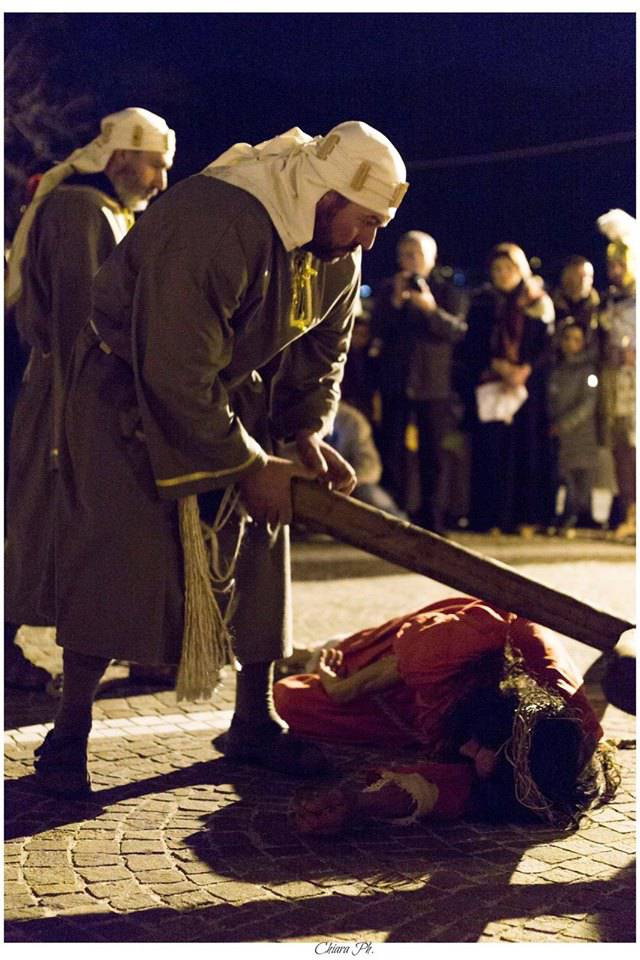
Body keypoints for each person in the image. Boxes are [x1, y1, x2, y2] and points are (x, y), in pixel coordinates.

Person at [33, 121, 409, 798]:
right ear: (325, 200)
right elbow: (173, 369)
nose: (369, 240)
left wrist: (302, 435)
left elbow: (325, 355)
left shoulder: (339, 256)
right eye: (364, 221)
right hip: (124, 385)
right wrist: (249, 464)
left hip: (229, 392)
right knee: (120, 551)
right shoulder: (219, 221)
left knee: (264, 538)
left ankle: (253, 721)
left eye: (380, 225)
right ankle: (69, 732)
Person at [4, 108, 175, 690]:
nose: (160, 182)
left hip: (89, 388)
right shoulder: (80, 210)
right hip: (74, 391)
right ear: (121, 157)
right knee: (46, 519)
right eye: (155, 166)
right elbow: (85, 318)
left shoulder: (105, 210)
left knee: (90, 524)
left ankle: (127, 641)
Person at [273, 596, 620, 835]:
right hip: (421, 657)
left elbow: (446, 791)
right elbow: (379, 671)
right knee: (335, 664)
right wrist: (338, 686)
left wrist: (356, 804)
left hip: (426, 713)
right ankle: (323, 651)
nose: (469, 753)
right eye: (481, 746)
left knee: (290, 698)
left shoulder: (528, 775)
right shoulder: (500, 642)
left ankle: (319, 659)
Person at [370, 231, 468, 532]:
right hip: (396, 383)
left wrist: (430, 309)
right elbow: (376, 331)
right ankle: (393, 517)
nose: (410, 261)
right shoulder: (388, 291)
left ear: (432, 258)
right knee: (392, 450)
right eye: (405, 254)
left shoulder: (447, 291)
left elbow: (457, 331)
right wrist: (397, 303)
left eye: (417, 255)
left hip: (433, 385)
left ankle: (433, 519)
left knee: (433, 455)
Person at [459, 243, 555, 535]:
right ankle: (489, 516)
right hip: (491, 384)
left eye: (508, 268)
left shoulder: (537, 302)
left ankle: (522, 517)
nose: (502, 274)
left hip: (527, 389)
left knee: (524, 451)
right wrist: (497, 365)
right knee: (491, 451)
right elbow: (471, 345)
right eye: (497, 269)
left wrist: (525, 370)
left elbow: (548, 348)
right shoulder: (483, 303)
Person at [596, 210, 636, 541]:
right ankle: (630, 513)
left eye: (620, 264)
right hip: (616, 385)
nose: (615, 272)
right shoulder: (610, 302)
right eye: (611, 265)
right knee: (621, 449)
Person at [547, 322, 600, 536]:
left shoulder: (587, 371)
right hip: (559, 434)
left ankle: (574, 516)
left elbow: (588, 402)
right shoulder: (555, 369)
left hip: (580, 434)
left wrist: (565, 424)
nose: (570, 344)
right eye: (567, 338)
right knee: (564, 475)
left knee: (580, 478)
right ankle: (564, 516)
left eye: (576, 339)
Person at [326, 401, 407, 518]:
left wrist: (345, 482)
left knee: (371, 497)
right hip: (311, 486)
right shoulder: (300, 416)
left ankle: (402, 532)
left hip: (350, 486)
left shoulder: (350, 419)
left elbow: (370, 467)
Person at [552, 255, 602, 362]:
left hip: (587, 367)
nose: (584, 280)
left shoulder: (599, 308)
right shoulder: (552, 305)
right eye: (579, 275)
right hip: (557, 368)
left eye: (588, 276)